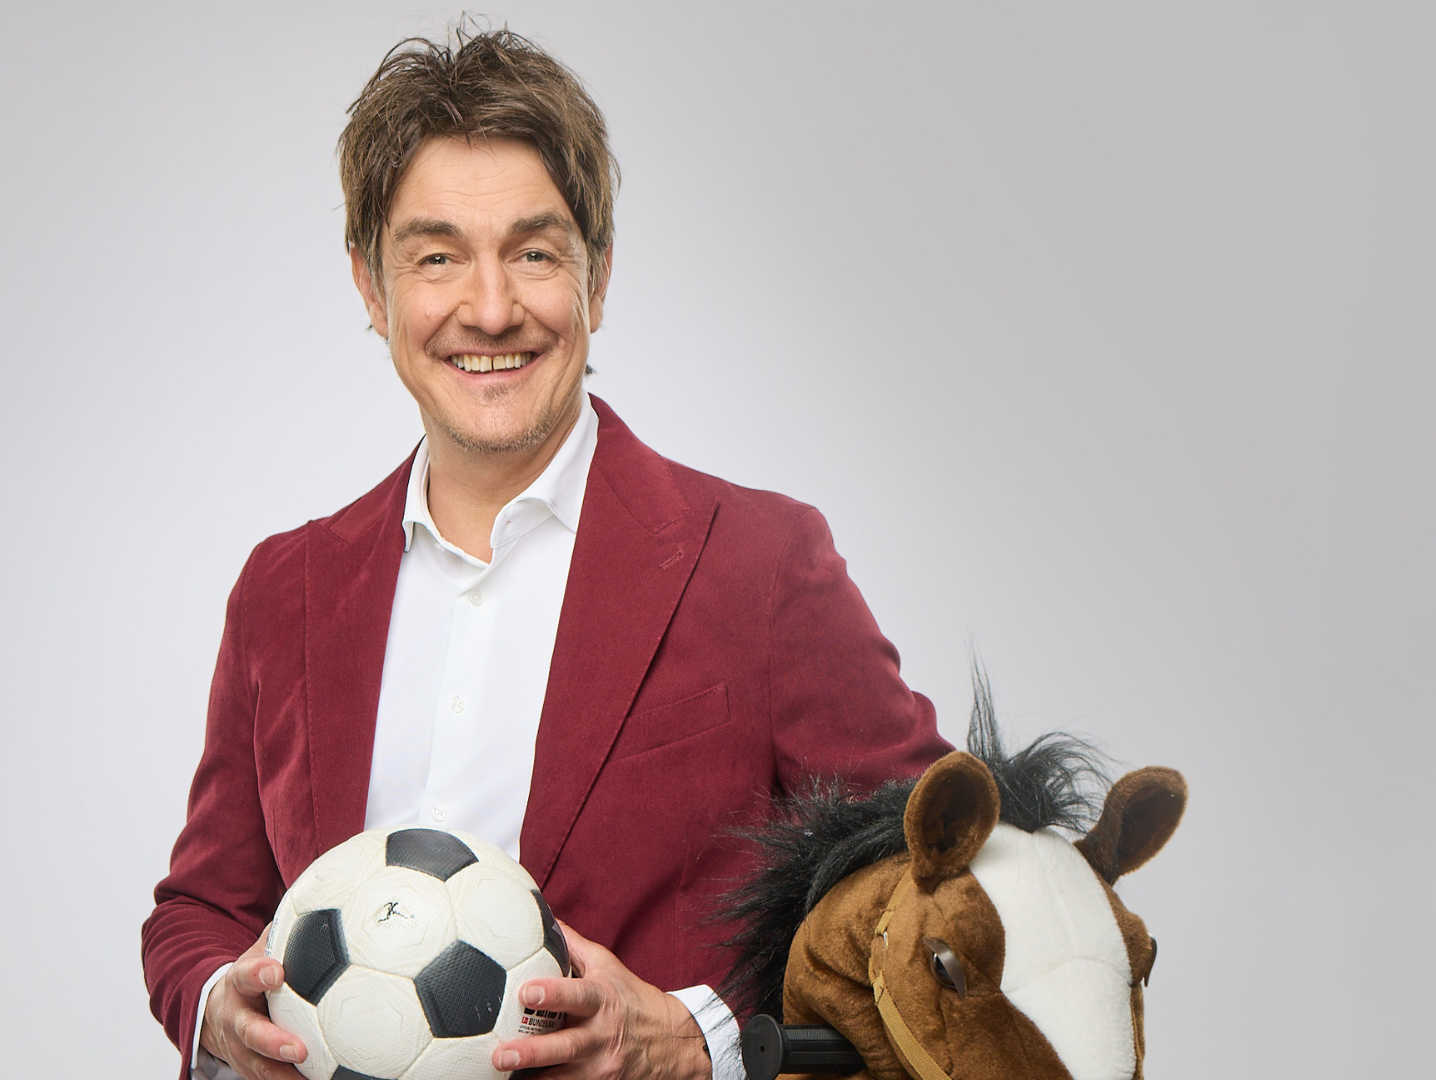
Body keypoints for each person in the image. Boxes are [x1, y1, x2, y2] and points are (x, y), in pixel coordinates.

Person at [141, 27, 951, 1080]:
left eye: (533, 252)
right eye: (437, 257)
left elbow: (939, 901)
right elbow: (201, 908)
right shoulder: (283, 591)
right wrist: (219, 1006)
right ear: (372, 288)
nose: (490, 310)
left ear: (597, 277)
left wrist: (699, 1039)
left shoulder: (758, 564)